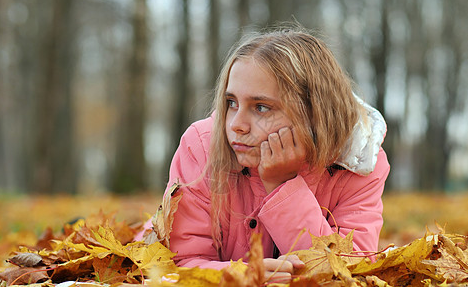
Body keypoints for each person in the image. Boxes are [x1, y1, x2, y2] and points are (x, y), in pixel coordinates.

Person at [142, 28, 390, 281]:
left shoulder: (358, 163)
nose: (237, 124)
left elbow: (350, 274)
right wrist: (243, 276)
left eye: (261, 107)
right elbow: (178, 263)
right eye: (231, 103)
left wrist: (283, 186)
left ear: (314, 112)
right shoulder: (202, 146)